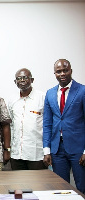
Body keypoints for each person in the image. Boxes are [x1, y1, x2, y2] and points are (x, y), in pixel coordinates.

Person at [43, 59, 85, 193]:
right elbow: (47, 123)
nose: (62, 74)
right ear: (54, 73)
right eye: (59, 71)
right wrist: (46, 150)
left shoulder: (82, 90)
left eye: (65, 70)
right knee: (61, 189)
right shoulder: (50, 93)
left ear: (71, 71)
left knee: (82, 187)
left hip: (78, 149)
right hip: (57, 150)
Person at [8, 68, 46, 170]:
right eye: (19, 78)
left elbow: (48, 125)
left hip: (36, 154)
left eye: (25, 77)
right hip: (16, 153)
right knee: (18, 185)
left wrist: (47, 152)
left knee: (37, 185)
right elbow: (11, 125)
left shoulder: (42, 98)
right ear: (15, 82)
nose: (22, 80)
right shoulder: (12, 100)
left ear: (32, 80)